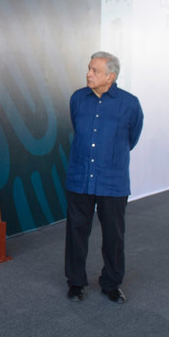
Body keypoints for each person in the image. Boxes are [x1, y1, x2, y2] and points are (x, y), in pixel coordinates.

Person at [64, 51, 144, 303]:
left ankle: (111, 283)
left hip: (113, 181)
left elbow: (131, 138)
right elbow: (78, 130)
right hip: (80, 178)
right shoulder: (78, 99)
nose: (88, 73)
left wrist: (109, 158)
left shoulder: (130, 104)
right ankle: (75, 282)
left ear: (111, 76)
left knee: (113, 236)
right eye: (89, 68)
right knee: (76, 233)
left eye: (95, 70)